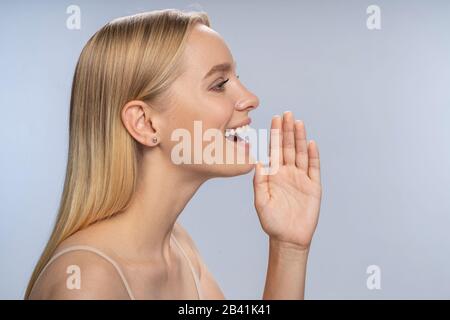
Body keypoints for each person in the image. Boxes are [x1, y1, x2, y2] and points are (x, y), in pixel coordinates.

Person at [25, 8, 322, 300]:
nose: (250, 98)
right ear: (145, 123)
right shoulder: (86, 283)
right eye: (219, 85)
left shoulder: (179, 249)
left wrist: (288, 249)